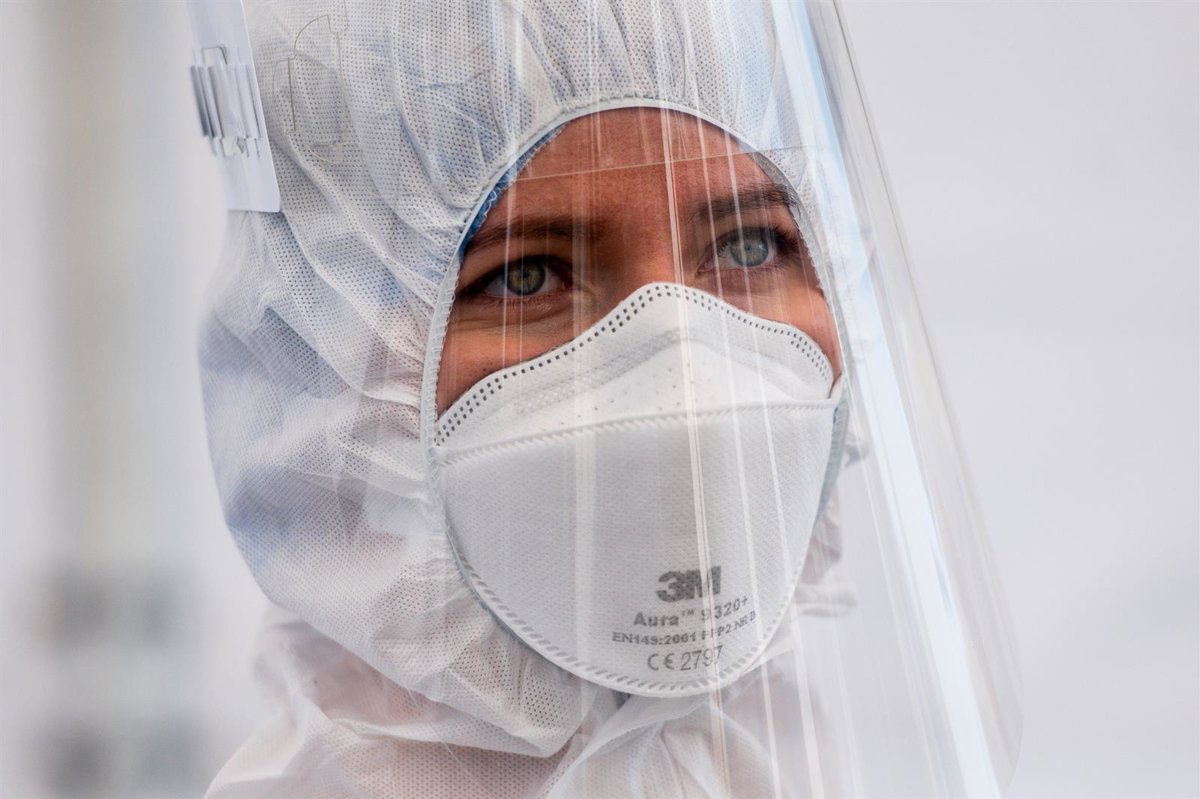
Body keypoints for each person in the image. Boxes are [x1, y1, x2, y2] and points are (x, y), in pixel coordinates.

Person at [198, 1, 1020, 796]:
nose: (686, 390)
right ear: (329, 358)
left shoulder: (789, 767)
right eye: (527, 276)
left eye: (748, 245)